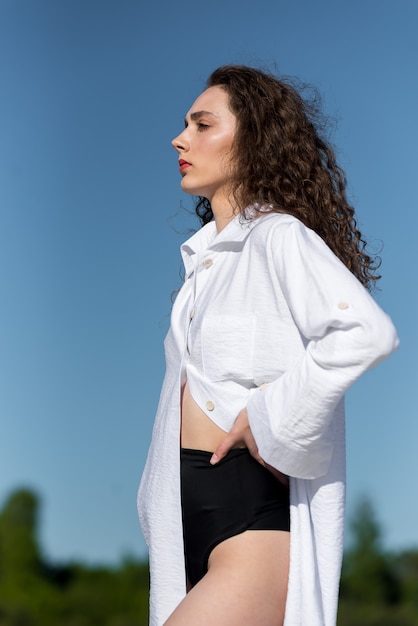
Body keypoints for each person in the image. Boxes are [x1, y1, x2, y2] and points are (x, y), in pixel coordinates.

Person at [137, 65, 399, 626]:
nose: (180, 139)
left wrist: (268, 414)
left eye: (203, 124)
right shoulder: (201, 269)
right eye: (185, 125)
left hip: (249, 515)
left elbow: (365, 332)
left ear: (253, 140)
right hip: (186, 522)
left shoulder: (278, 235)